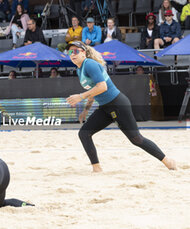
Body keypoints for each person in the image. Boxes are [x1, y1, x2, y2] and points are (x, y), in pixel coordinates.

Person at [65, 41, 176, 172]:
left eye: (76, 51)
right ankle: (97, 168)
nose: (73, 54)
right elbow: (94, 90)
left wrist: (80, 96)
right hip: (105, 107)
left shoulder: (89, 64)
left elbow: (102, 86)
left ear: (83, 52)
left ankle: (168, 161)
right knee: (84, 133)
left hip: (117, 104)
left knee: (136, 139)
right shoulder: (80, 69)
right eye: (70, 52)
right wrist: (86, 110)